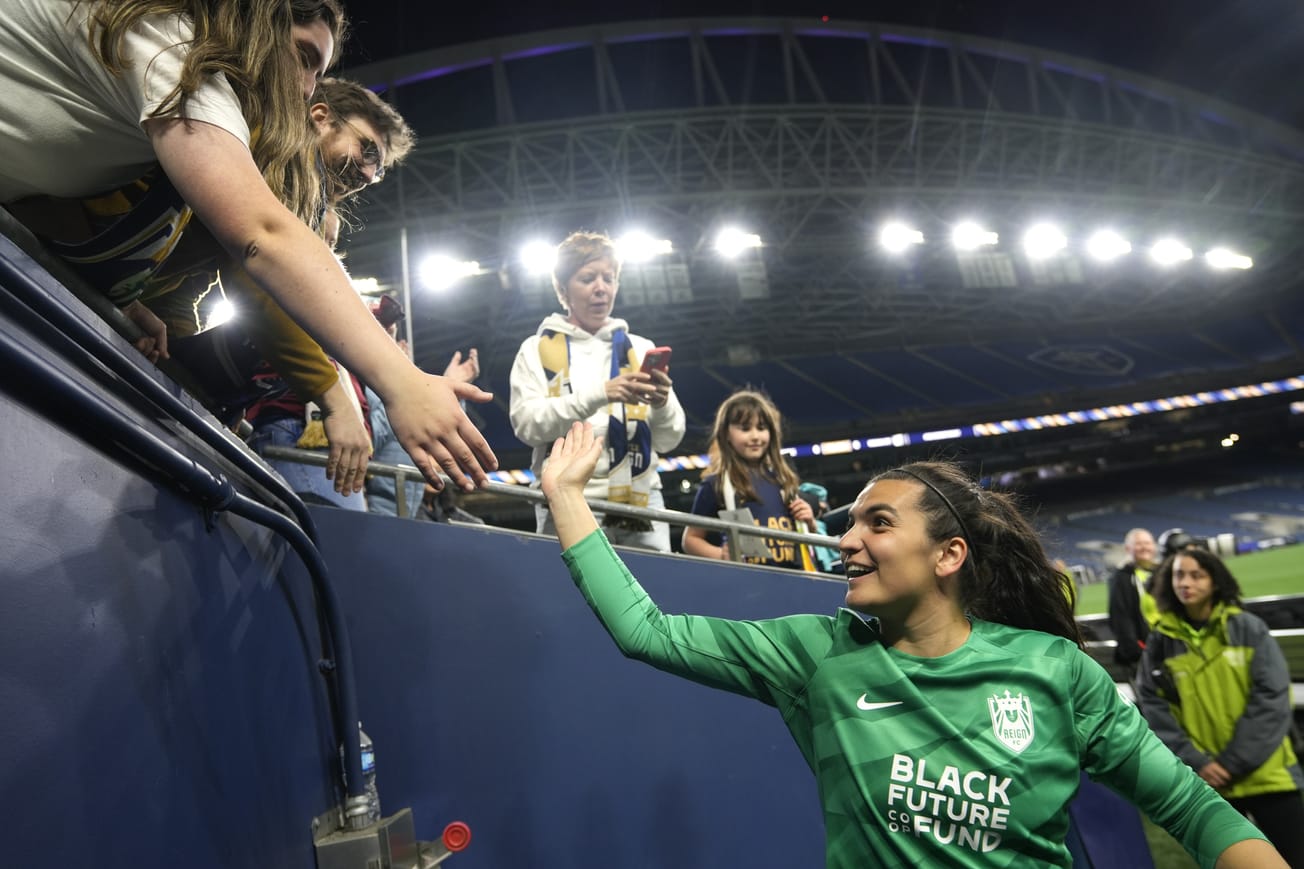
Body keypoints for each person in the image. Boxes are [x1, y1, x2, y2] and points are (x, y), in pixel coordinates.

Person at [539, 421, 1285, 869]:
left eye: (878, 523)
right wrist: (568, 495)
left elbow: (1194, 809)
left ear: (948, 555)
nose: (846, 538)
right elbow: (647, 631)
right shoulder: (816, 654)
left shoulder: (1055, 672)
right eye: (850, 521)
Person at [0, 0, 495, 493]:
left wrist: (127, 300)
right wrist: (377, 387)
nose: (306, 88)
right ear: (257, 19)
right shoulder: (176, 51)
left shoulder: (184, 95)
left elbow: (77, 209)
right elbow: (260, 237)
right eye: (303, 57)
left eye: (379, 167)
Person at [509, 230, 685, 551]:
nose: (601, 288)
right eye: (588, 278)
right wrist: (600, 393)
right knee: (570, 598)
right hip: (567, 499)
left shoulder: (639, 348)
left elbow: (669, 439)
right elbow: (528, 426)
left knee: (654, 596)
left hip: (642, 502)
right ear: (563, 289)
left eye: (609, 277)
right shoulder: (534, 350)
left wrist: (661, 405)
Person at [1137, 548, 1304, 865]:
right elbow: (1155, 709)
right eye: (1178, 575)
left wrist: (1231, 762)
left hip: (1268, 776)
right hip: (1208, 784)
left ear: (1215, 581)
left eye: (1196, 575)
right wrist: (1197, 762)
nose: (1185, 582)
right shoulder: (1160, 642)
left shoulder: (1247, 628)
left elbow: (1272, 698)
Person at [363, 295, 482, 518]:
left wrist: (453, 390)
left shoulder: (393, 386)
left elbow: (434, 428)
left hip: (404, 514)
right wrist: (396, 382)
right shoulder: (356, 382)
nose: (387, 333)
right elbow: (367, 441)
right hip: (374, 515)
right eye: (379, 325)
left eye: (391, 327)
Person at [682, 390, 815, 569]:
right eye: (745, 428)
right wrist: (721, 555)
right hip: (749, 581)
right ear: (726, 434)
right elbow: (690, 539)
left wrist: (809, 522)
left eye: (761, 428)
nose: (755, 436)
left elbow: (806, 538)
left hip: (795, 577)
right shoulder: (716, 483)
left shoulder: (784, 479)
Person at [1106, 528, 1160, 667]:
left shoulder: (1162, 572)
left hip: (1166, 646)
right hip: (1143, 654)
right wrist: (1136, 651)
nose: (1144, 547)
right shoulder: (1122, 577)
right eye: (1139, 544)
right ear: (1127, 548)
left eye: (1147, 543)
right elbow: (1120, 616)